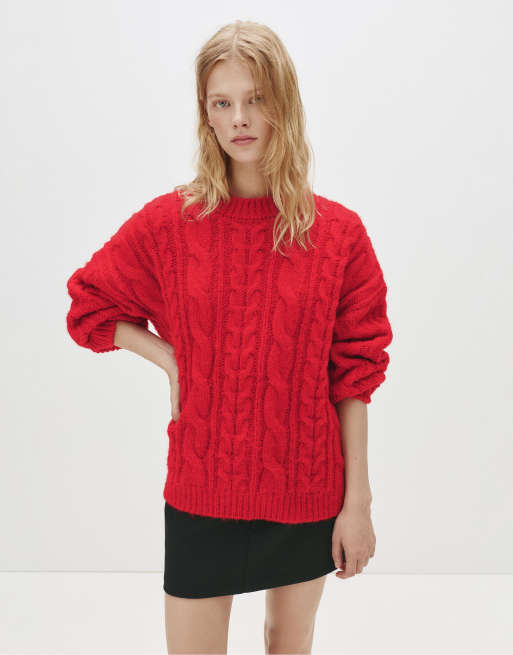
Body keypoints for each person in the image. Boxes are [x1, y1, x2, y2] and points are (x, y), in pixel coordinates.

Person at [65, 20, 393, 655]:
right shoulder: (169, 224)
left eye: (256, 99)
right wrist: (169, 358)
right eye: (222, 103)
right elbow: (89, 304)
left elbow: (354, 377)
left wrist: (359, 504)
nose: (240, 118)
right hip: (201, 488)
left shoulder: (339, 235)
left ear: (284, 104)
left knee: (288, 642)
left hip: (305, 490)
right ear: (205, 114)